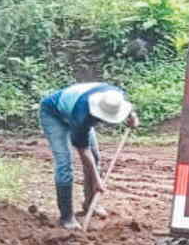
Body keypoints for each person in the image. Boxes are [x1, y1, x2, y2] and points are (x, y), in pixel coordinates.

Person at [39, 82, 138, 229]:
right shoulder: (83, 115)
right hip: (53, 115)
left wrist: (132, 117)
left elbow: (127, 108)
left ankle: (90, 204)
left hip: (75, 110)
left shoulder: (114, 95)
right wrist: (97, 180)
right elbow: (84, 152)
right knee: (64, 165)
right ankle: (67, 218)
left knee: (96, 157)